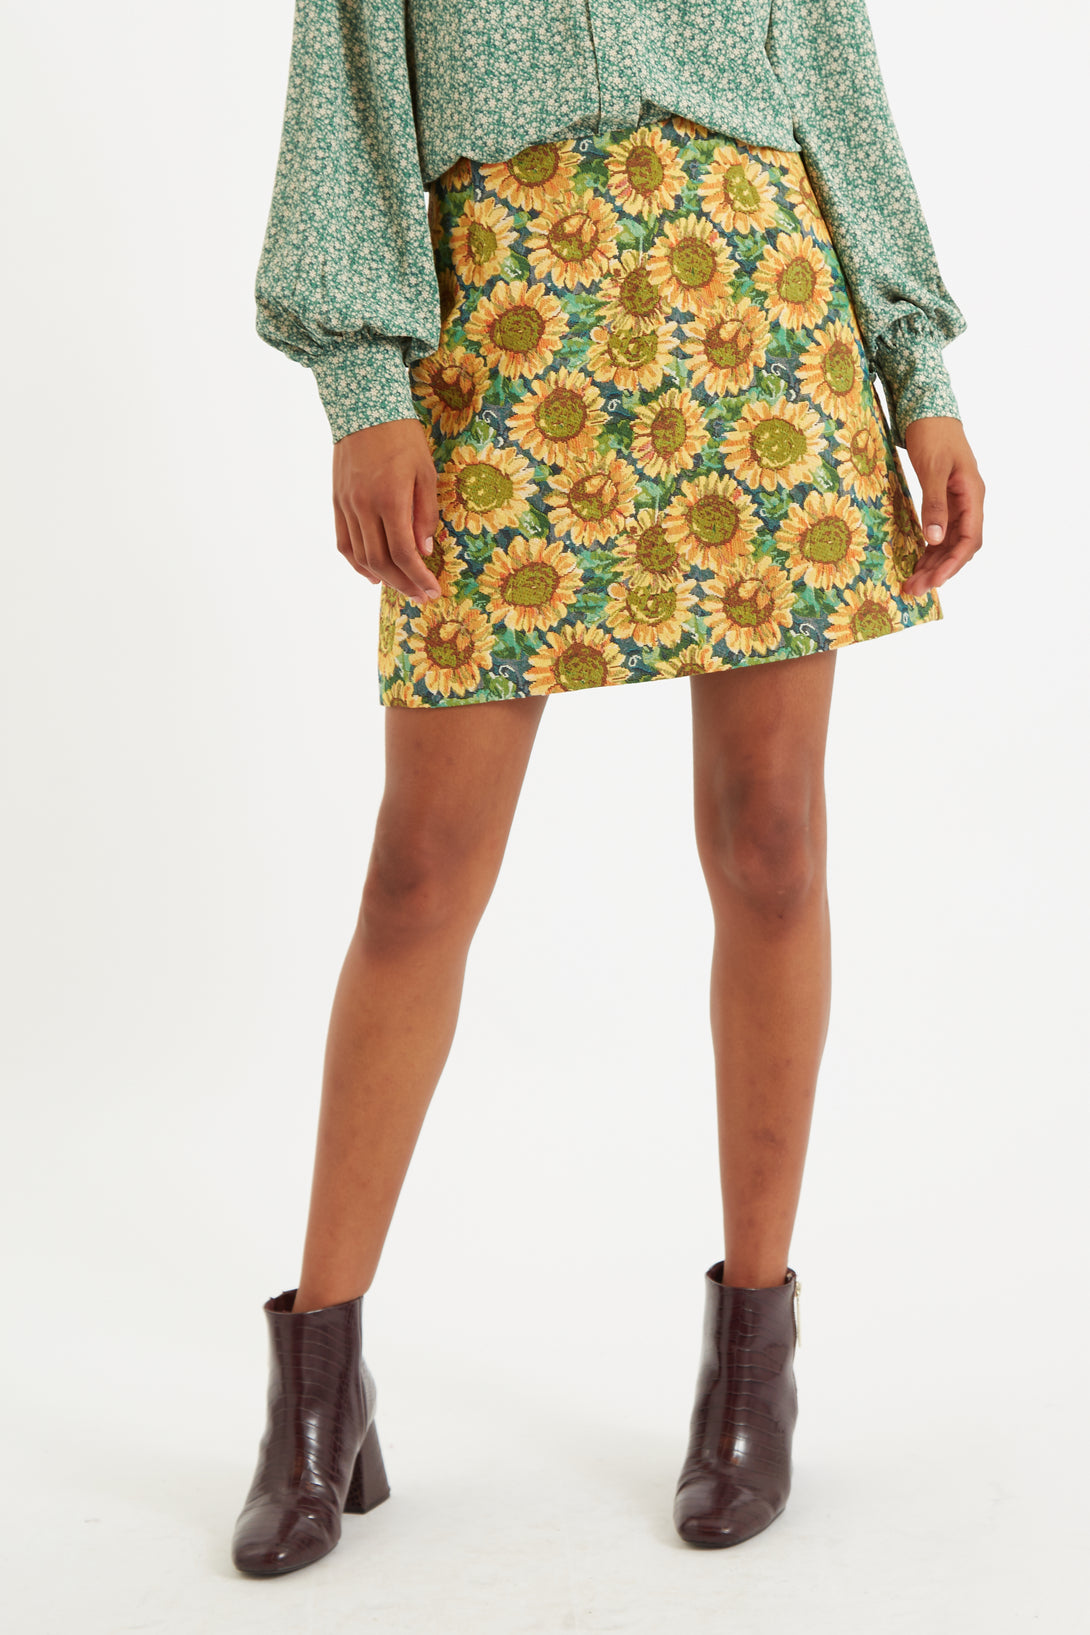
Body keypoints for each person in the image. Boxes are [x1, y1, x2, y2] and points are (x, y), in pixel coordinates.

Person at [231, 0, 984, 1577]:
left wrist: (915, 371)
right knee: (419, 875)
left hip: (762, 326)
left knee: (770, 847)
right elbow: (350, 91)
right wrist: (365, 391)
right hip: (499, 345)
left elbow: (828, 77)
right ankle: (317, 1388)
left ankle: (751, 1366)